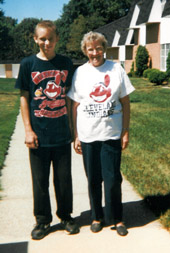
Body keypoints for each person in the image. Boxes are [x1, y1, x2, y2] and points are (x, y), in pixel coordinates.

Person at [15, 20, 79, 240]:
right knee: (40, 181)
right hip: (38, 135)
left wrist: (74, 130)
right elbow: (24, 98)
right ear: (35, 39)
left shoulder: (65, 63)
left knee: (63, 179)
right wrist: (28, 130)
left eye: (51, 38)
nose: (47, 42)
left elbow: (71, 99)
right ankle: (42, 221)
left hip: (61, 134)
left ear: (57, 38)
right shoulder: (27, 64)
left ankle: (66, 216)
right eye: (42, 38)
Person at [67, 31, 135, 236]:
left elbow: (125, 102)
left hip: (111, 134)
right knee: (93, 179)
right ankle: (96, 217)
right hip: (88, 135)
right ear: (85, 51)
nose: (94, 52)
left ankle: (117, 218)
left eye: (98, 48)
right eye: (90, 49)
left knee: (113, 178)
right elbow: (75, 106)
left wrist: (125, 131)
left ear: (104, 49)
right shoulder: (80, 72)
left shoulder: (116, 69)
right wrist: (76, 135)